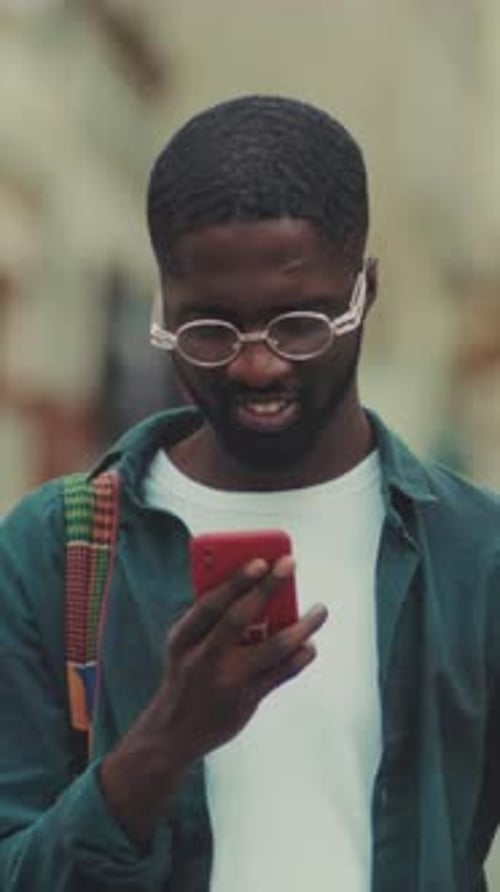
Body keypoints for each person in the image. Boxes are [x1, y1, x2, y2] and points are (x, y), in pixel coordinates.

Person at [0, 95, 499, 892]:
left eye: (301, 323)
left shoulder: (476, 554)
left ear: (364, 291)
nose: (257, 367)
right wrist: (163, 742)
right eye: (210, 330)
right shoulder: (55, 551)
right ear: (165, 308)